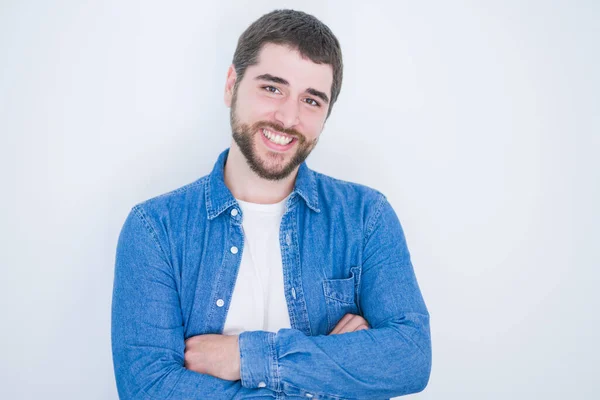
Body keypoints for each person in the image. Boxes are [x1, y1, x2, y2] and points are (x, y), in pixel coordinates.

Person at [111, 9, 431, 400]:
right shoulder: (155, 229)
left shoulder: (366, 217)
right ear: (232, 85)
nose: (288, 117)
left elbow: (410, 358)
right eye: (272, 88)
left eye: (311, 100)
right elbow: (148, 388)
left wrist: (246, 358)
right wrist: (330, 377)